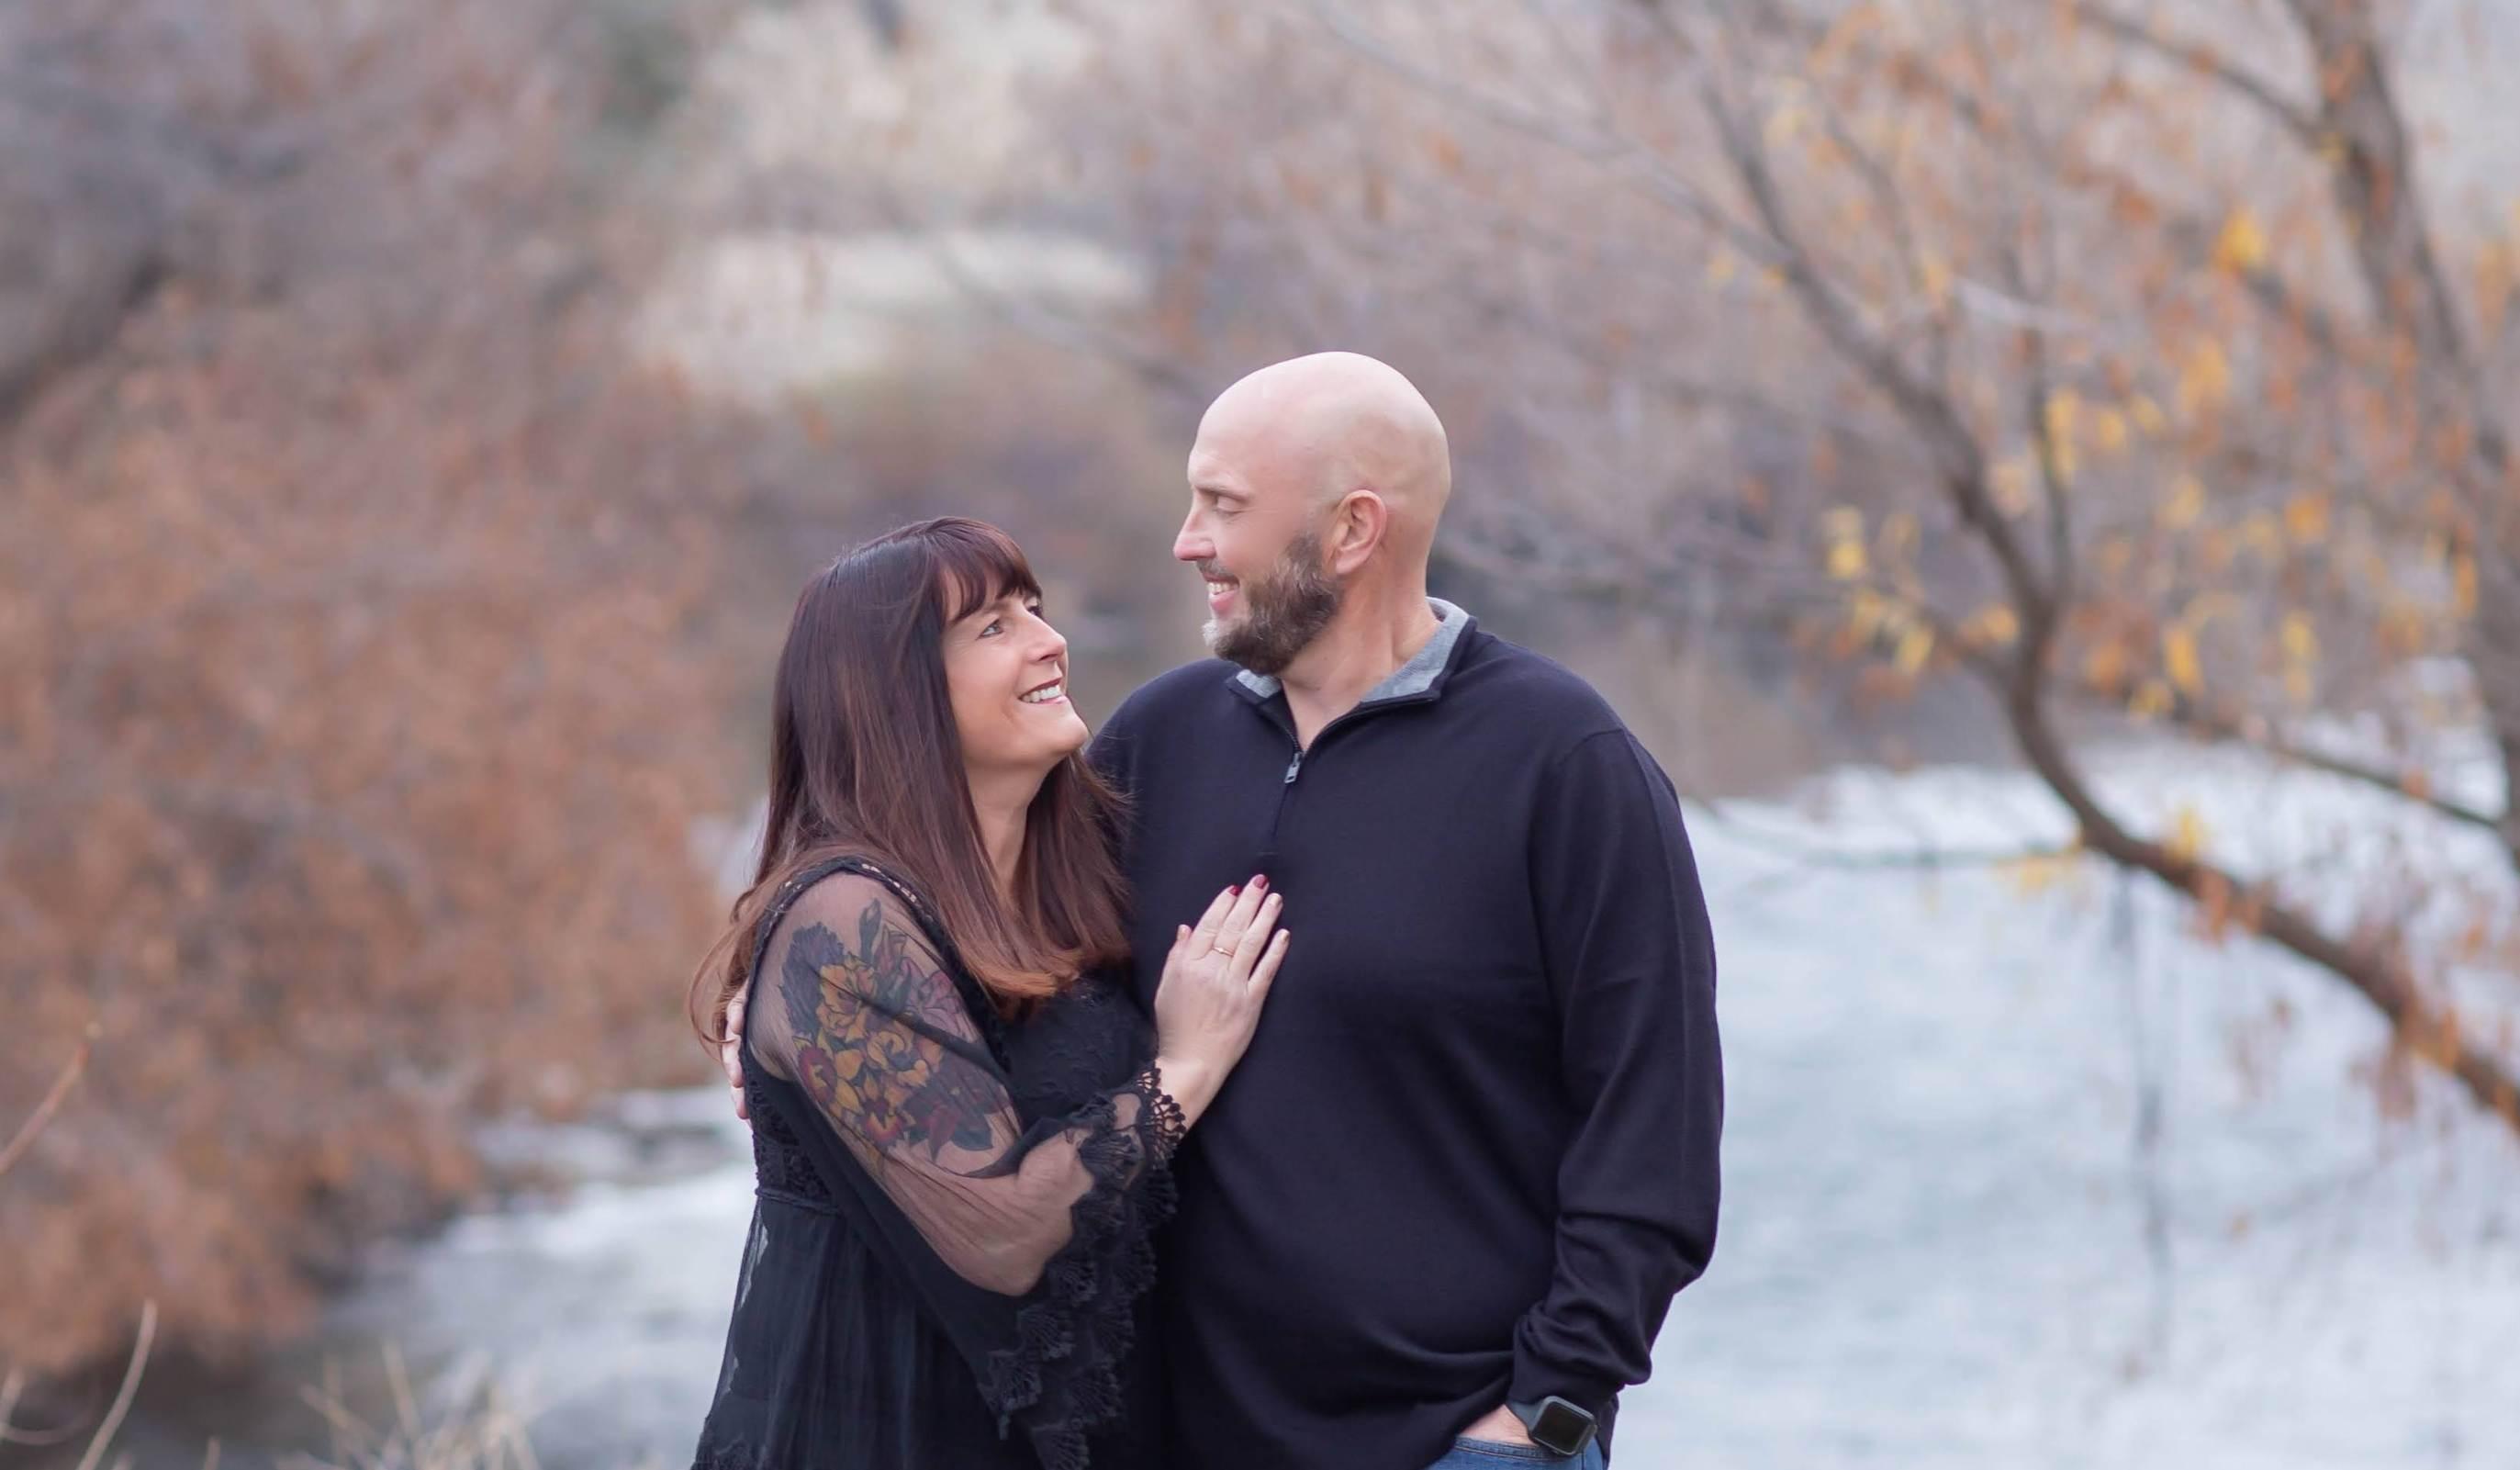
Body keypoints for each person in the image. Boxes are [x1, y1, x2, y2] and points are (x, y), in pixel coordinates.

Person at [728, 352, 1722, 1469]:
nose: (1187, 539)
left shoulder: (1565, 764)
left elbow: (1656, 1128)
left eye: (1224, 504)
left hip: (1459, 1443)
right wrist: (786, 1028)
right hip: (1174, 1439)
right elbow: (981, 941)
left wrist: (1549, 1407)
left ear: (1351, 530)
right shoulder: (1157, 742)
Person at [689, 517, 1290, 1470]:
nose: (1050, 642)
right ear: (897, 695)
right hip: (880, 1436)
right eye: (994, 626)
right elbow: (999, 1234)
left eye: (1035, 609)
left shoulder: (1073, 866)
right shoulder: (841, 922)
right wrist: (1184, 1067)